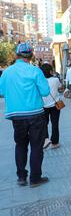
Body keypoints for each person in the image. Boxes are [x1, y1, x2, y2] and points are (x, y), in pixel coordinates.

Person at [0, 43, 50, 187]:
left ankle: (21, 177)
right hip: (35, 114)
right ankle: (35, 179)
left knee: (20, 145)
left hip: (16, 115)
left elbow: (2, 92)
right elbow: (45, 92)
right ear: (31, 55)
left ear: (17, 55)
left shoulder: (7, 72)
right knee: (36, 146)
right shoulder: (35, 71)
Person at [40, 64, 62, 149]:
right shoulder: (56, 80)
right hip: (55, 105)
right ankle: (55, 143)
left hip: (43, 106)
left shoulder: (40, 81)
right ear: (50, 71)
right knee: (55, 124)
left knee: (44, 124)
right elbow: (60, 88)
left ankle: (45, 140)